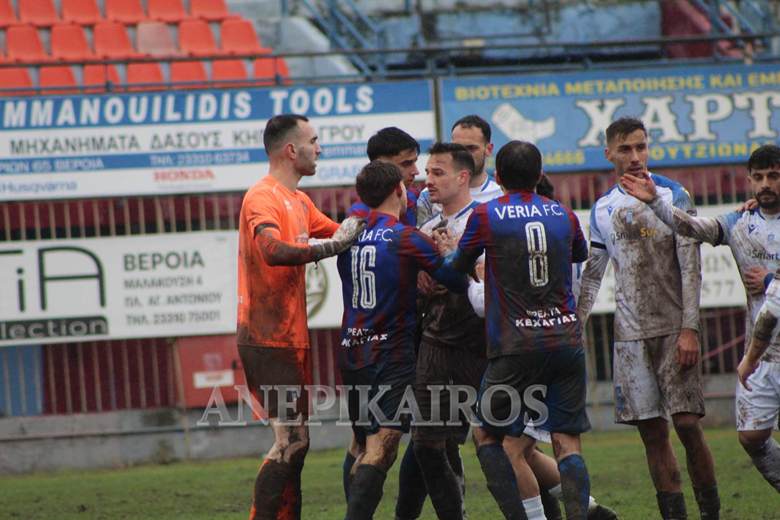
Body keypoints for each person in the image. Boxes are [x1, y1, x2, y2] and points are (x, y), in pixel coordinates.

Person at [577, 117, 720, 519]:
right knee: (653, 434)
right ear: (608, 153)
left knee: (688, 425)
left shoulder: (673, 195)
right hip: (630, 337)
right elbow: (593, 275)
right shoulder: (603, 208)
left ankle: (711, 513)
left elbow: (691, 268)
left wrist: (690, 328)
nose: (636, 156)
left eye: (641, 147)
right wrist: (577, 324)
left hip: (674, 329)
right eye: (626, 149)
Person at [620, 144, 780, 493]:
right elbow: (692, 227)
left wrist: (769, 282)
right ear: (749, 180)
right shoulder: (740, 223)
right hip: (761, 356)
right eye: (759, 177)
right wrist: (656, 202)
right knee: (752, 437)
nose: (766, 184)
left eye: (774, 176)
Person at [448, 140, 592, 519]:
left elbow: (458, 265)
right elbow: (579, 254)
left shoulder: (486, 214)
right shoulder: (564, 214)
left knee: (486, 433)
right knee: (567, 441)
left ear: (497, 176)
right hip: (565, 340)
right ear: (540, 174)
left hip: (516, 345)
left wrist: (452, 259)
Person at [236, 114, 364, 520]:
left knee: (297, 443)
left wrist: (378, 216)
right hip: (266, 335)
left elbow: (344, 233)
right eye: (314, 140)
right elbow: (273, 251)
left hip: (289, 336)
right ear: (292, 150)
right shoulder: (262, 197)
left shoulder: (300, 201)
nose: (319, 148)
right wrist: (328, 248)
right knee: (290, 440)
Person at [337, 160, 468, 520]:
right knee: (383, 446)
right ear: (398, 190)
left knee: (365, 445)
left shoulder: (348, 236)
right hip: (389, 352)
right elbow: (455, 280)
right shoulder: (406, 237)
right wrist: (449, 251)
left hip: (352, 351)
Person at [401, 142, 485, 520]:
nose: (428, 180)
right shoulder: (425, 229)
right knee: (427, 444)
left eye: (438, 173)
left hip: (477, 347)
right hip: (434, 346)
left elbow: (489, 285)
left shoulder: (482, 221)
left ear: (462, 177)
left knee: (505, 445)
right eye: (427, 172)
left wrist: (457, 265)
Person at [416, 114, 502, 224]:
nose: (464, 154)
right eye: (457, 148)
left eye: (471, 148)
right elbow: (422, 232)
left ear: (488, 149)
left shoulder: (501, 192)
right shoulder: (429, 195)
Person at [349, 127, 421, 226]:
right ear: (381, 166)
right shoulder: (359, 215)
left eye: (414, 162)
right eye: (406, 164)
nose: (416, 171)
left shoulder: (420, 199)